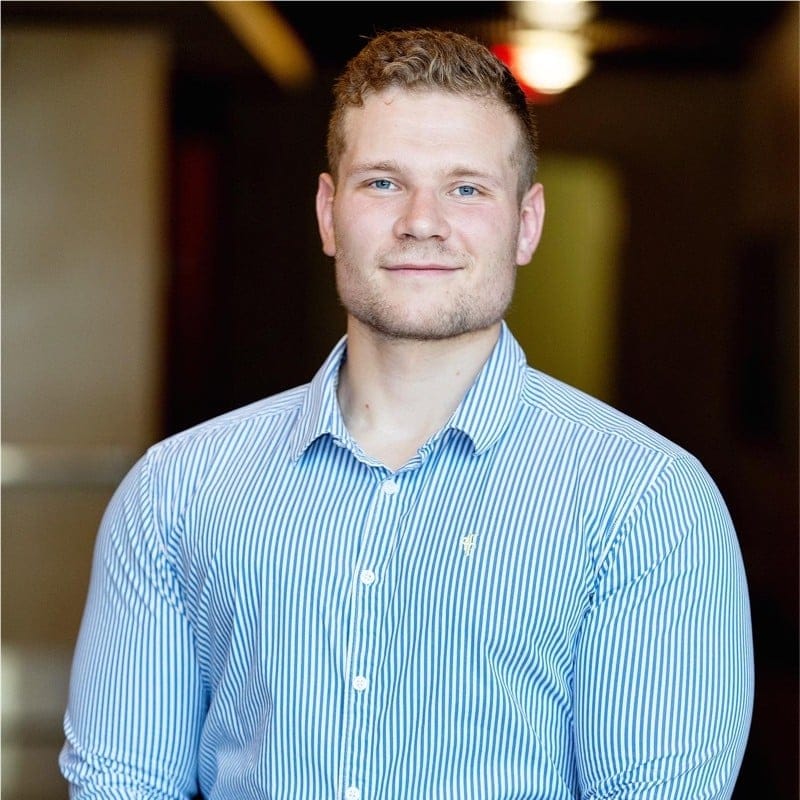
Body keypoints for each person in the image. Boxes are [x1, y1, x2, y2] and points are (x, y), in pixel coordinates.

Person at [60, 27, 754, 800]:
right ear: (329, 214)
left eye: (467, 188)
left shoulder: (646, 503)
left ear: (527, 223)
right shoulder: (175, 491)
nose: (422, 221)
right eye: (384, 183)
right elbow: (121, 784)